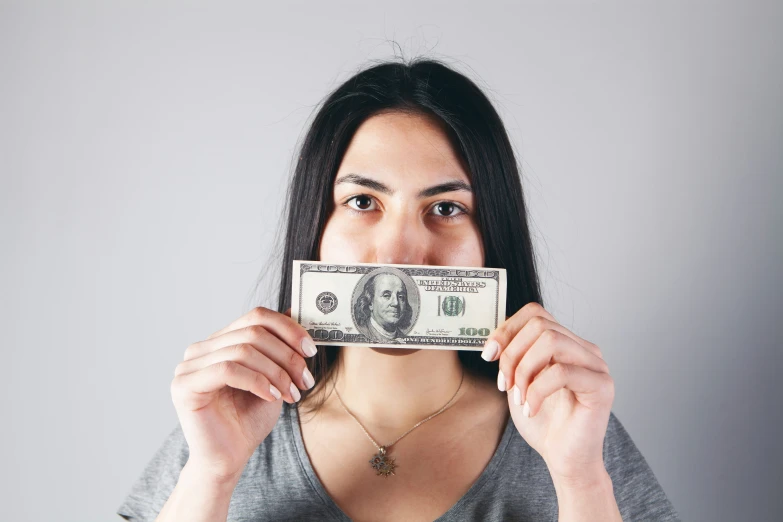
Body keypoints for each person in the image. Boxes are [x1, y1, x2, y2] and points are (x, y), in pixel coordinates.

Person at [117, 57, 681, 521]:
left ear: (492, 236)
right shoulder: (228, 421)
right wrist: (212, 474)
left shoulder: (568, 426)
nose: (399, 253)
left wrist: (579, 479)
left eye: (446, 208)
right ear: (315, 225)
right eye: (363, 202)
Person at [353, 272, 413, 343]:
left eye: (401, 297)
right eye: (386, 295)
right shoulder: (362, 332)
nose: (396, 303)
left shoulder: (406, 339)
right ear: (370, 303)